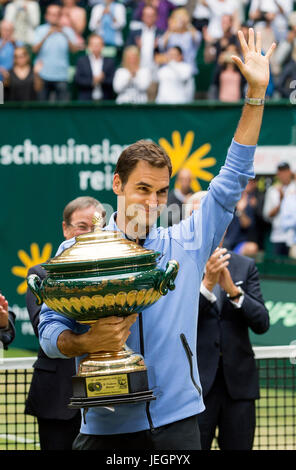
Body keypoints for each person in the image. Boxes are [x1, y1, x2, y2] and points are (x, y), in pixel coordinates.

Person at [38, 29, 276, 450]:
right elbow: (49, 330)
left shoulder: (187, 240)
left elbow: (232, 178)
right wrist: (83, 342)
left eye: (161, 191)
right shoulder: (75, 252)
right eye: (142, 189)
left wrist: (255, 94)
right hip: (103, 430)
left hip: (179, 425)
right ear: (117, 183)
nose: (152, 201)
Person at [25, 196, 105, 451]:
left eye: (96, 228)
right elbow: (43, 328)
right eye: (82, 226)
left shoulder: (116, 277)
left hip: (105, 398)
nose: (88, 234)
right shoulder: (41, 275)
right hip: (56, 400)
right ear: (65, 229)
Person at [196, 244, 269, 450]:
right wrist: (207, 286)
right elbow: (178, 324)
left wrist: (235, 292)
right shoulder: (181, 264)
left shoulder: (245, 266)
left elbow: (262, 323)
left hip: (239, 388)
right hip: (197, 389)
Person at [32, 4, 79, 101]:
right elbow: (34, 50)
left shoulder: (68, 31)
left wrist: (64, 34)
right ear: (46, 16)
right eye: (52, 14)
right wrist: (46, 35)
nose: (54, 17)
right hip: (43, 74)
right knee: (42, 109)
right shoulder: (40, 30)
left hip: (61, 75)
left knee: (63, 110)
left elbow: (74, 50)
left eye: (57, 14)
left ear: (60, 16)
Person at [263, 162, 296, 256]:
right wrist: (280, 201)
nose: (283, 175)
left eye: (285, 171)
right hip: (278, 235)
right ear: (278, 174)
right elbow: (267, 215)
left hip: (294, 236)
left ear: (290, 172)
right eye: (281, 172)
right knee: (277, 267)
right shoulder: (272, 190)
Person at [74, 33, 116, 101]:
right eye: (93, 44)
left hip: (105, 101)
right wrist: (92, 81)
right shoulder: (82, 61)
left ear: (103, 46)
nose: (96, 47)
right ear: (89, 46)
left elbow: (113, 80)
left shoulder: (109, 62)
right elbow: (77, 79)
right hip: (86, 101)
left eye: (98, 44)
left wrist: (101, 79)